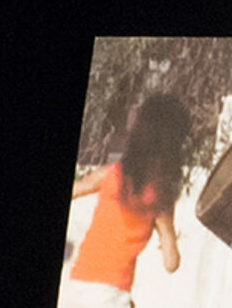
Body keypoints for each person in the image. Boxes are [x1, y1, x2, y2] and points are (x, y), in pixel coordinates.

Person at [63, 94, 190, 308]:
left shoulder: (112, 174)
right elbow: (171, 263)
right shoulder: (160, 200)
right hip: (112, 292)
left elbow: (76, 189)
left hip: (78, 284)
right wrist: (164, 232)